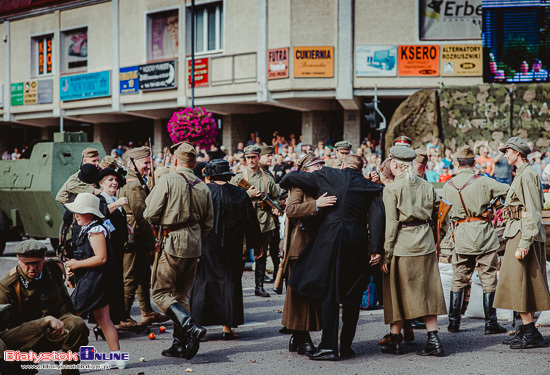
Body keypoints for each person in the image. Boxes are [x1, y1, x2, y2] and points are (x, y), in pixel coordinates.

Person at [279, 154, 385, 360]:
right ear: (361, 168)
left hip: (330, 240)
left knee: (330, 293)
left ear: (343, 165)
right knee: (353, 297)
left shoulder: (328, 175)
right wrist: (376, 249)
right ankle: (346, 346)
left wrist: (285, 179)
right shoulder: (369, 186)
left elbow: (290, 179)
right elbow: (376, 218)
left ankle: (328, 346)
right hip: (357, 242)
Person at [144, 142, 214, 360]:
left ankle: (189, 325)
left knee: (160, 293)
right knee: (181, 294)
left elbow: (150, 213)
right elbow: (209, 223)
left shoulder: (167, 179)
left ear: (175, 160)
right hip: (194, 244)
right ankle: (180, 343)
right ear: (193, 163)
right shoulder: (203, 186)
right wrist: (193, 236)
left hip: (172, 241)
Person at [380, 146, 447, 356]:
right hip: (426, 242)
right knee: (429, 293)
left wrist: (386, 254)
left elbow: (391, 225)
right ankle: (433, 339)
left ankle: (396, 339)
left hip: (403, 244)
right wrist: (438, 239)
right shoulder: (427, 185)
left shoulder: (391, 189)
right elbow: (441, 216)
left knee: (397, 293)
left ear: (395, 164)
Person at [441, 145, 509, 335]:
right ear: (473, 163)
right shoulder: (484, 182)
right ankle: (490, 324)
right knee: (488, 278)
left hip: (461, 235)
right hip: (484, 235)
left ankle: (453, 323)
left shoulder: (448, 186)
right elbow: (508, 190)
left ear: (457, 163)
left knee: (459, 278)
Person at [190, 159, 260, 340]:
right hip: (232, 244)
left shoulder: (202, 191)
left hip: (206, 243)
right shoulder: (240, 193)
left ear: (210, 175)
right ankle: (227, 327)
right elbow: (250, 222)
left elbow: (194, 219)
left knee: (202, 281)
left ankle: (196, 326)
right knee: (229, 282)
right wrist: (256, 245)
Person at [0, 240, 89, 375]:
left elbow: (65, 299)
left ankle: (69, 371)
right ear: (18, 259)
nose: (32, 268)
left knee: (77, 324)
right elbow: (4, 336)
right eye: (27, 264)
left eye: (36, 263)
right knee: (18, 369)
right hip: (27, 338)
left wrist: (77, 326)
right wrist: (44, 321)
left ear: (44, 258)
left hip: (55, 329)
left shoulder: (54, 269)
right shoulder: (8, 286)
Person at [494, 137, 550, 349]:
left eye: (507, 151)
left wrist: (525, 242)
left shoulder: (527, 175)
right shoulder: (524, 174)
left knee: (521, 284)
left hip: (523, 234)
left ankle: (529, 332)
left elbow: (534, 211)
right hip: (518, 231)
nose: (505, 155)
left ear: (517, 152)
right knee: (518, 284)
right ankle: (527, 329)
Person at [64, 193, 126, 370]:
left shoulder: (95, 230)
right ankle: (117, 358)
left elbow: (101, 258)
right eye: (75, 212)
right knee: (103, 319)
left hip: (95, 280)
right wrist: (76, 266)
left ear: (91, 214)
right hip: (96, 279)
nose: (76, 215)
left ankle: (70, 358)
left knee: (70, 315)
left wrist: (77, 264)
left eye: (80, 212)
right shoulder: (94, 227)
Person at [282, 153, 331, 356]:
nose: (320, 168)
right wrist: (316, 205)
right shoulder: (299, 186)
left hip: (317, 246)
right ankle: (302, 337)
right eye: (315, 165)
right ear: (305, 169)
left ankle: (298, 336)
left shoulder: (322, 184)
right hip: (300, 247)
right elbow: (291, 209)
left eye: (321, 164)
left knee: (312, 295)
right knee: (299, 296)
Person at [119, 146, 168, 328]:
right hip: (135, 235)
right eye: (145, 163)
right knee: (131, 276)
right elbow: (142, 216)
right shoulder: (133, 185)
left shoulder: (134, 182)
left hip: (137, 235)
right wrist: (152, 240)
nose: (149, 166)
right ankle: (123, 317)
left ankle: (147, 312)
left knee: (142, 275)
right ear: (134, 163)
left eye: (149, 162)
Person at [231, 145, 281, 298]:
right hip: (245, 221)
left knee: (261, 254)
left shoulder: (267, 177)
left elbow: (275, 196)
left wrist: (275, 207)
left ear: (259, 157)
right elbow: (231, 198)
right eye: (248, 158)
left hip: (264, 220)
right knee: (242, 255)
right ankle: (235, 287)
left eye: (254, 157)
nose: (251, 160)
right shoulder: (239, 177)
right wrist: (248, 194)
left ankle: (259, 286)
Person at [96, 168, 130, 329]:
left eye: (116, 180)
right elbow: (101, 213)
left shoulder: (112, 198)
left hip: (117, 246)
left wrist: (127, 225)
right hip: (106, 247)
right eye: (110, 180)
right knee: (109, 282)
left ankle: (116, 319)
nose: (114, 183)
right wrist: (118, 203)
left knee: (117, 281)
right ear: (101, 183)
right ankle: (105, 321)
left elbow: (116, 217)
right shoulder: (100, 199)